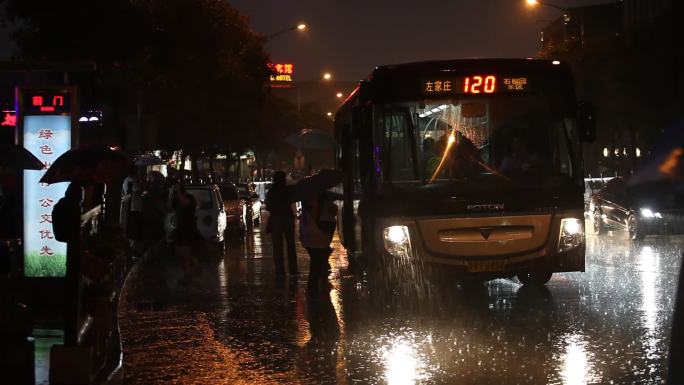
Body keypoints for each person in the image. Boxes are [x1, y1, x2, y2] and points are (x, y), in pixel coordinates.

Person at [299, 191, 338, 292]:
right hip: (320, 235)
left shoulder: (306, 202)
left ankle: (314, 284)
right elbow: (333, 213)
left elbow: (303, 221)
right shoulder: (325, 202)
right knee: (316, 261)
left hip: (308, 235)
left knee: (315, 260)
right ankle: (313, 286)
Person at [265, 171, 297, 276]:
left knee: (277, 247)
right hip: (287, 218)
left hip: (276, 220)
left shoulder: (271, 192)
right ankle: (293, 269)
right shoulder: (288, 191)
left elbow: (268, 207)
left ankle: (280, 270)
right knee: (291, 245)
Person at [171, 182, 200, 285]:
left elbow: (185, 203)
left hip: (188, 228)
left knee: (184, 250)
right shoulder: (176, 199)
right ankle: (189, 270)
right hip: (180, 228)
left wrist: (178, 191)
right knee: (179, 251)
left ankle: (189, 274)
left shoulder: (189, 198)